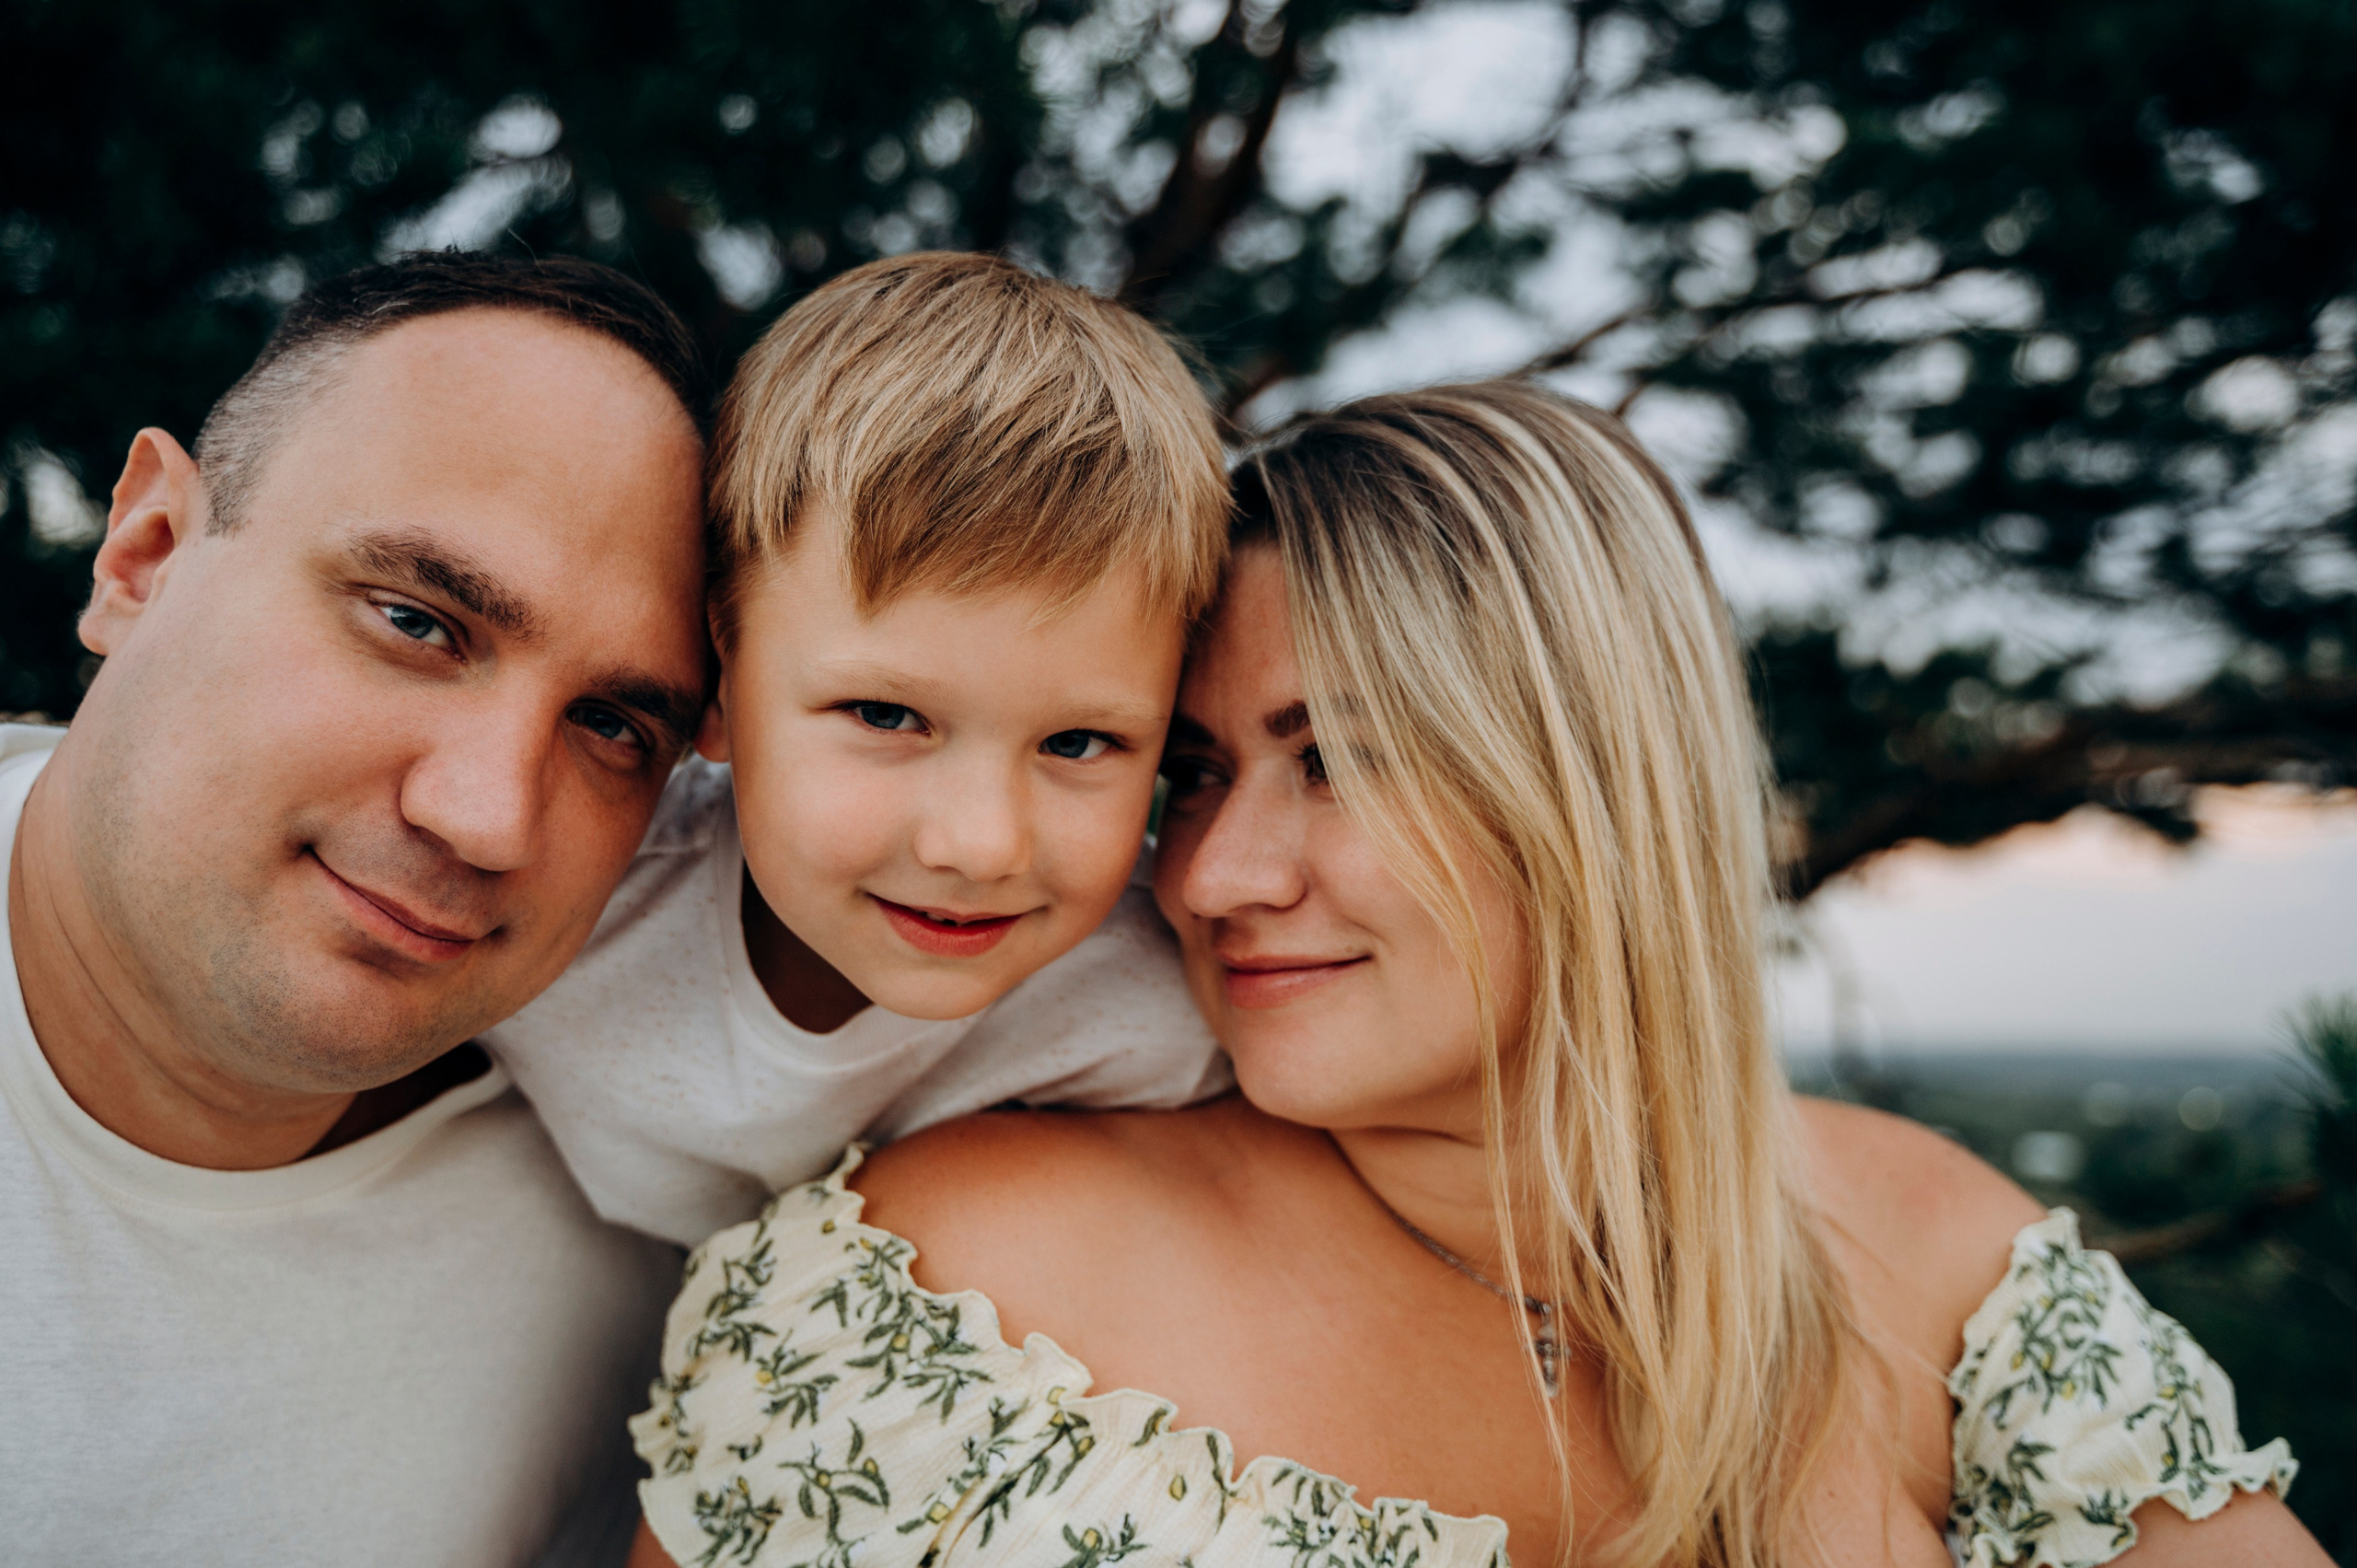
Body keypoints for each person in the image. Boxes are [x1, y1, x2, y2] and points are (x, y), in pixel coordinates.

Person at [626, 381, 2323, 1568]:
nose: (1215, 876)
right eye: (1192, 771)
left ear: (1589, 783)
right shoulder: (947, 1287)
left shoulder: (1943, 1265)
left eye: (1342, 757)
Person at [0, 252, 713, 1565]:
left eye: (613, 724)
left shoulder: (693, 1236)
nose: (490, 812)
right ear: (146, 555)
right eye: (416, 619)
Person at [477, 251, 1233, 1251]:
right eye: (885, 716)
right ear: (718, 679)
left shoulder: (1165, 1011)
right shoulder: (563, 908)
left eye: (1079, 740)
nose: (980, 845)